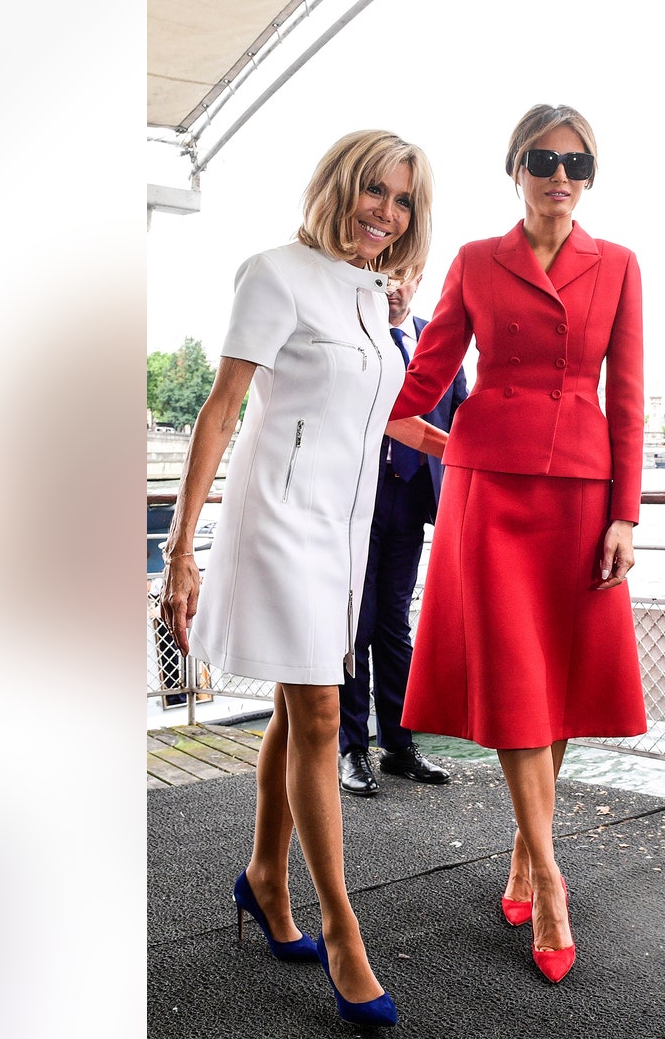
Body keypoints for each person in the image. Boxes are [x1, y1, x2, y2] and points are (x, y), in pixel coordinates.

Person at [159, 129, 447, 1029]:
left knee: (296, 708)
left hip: (346, 529)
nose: (387, 213)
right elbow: (222, 408)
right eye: (375, 191)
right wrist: (180, 547)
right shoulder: (273, 273)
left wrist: (485, 456)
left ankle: (263, 878)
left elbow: (377, 420)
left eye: (403, 201)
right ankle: (343, 929)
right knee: (322, 711)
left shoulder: (378, 297)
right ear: (339, 187)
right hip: (278, 518)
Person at [385, 104, 646, 984]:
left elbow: (632, 397)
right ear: (515, 167)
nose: (559, 174)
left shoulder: (619, 268)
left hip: (581, 496)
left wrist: (626, 514)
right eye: (543, 158)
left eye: (577, 162)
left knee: (555, 685)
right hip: (488, 498)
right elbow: (417, 387)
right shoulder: (472, 262)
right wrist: (436, 436)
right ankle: (554, 885)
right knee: (514, 680)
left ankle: (524, 861)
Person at [338, 271, 468, 797]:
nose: (392, 287)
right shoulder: (352, 335)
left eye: (402, 276)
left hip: (412, 503)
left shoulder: (440, 342)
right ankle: (352, 750)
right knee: (357, 625)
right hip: (354, 501)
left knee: (394, 624)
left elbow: (463, 420)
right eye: (382, 276)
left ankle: (398, 745)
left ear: (417, 279)